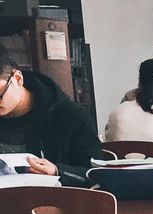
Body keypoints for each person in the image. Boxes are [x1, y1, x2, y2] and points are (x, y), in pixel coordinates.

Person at [0, 51, 100, 185]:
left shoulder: (69, 115)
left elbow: (97, 174)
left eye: (0, 95)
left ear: (18, 79)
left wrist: (58, 171)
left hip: (56, 200)